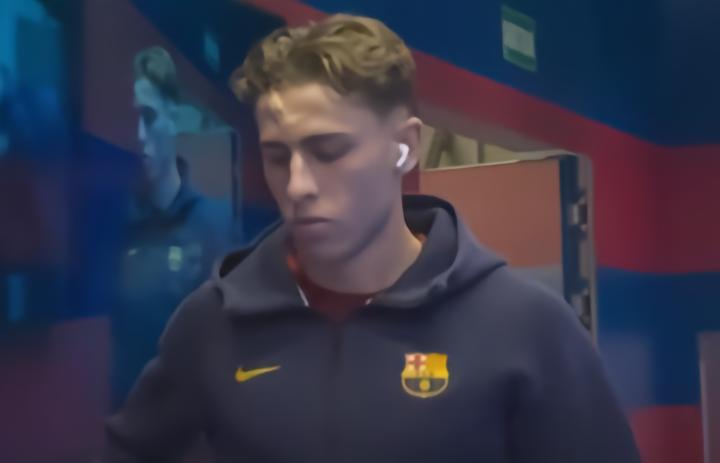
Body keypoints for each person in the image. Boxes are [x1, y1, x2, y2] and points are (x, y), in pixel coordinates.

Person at [104, 15, 640, 462]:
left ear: (403, 147)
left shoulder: (526, 329)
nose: (298, 185)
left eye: (329, 151)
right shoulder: (212, 324)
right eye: (278, 156)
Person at [109, 47, 233, 409]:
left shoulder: (213, 224)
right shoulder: (118, 226)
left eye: (149, 117)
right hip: (130, 419)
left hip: (191, 426)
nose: (139, 135)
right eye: (132, 119)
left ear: (173, 118)